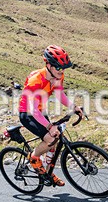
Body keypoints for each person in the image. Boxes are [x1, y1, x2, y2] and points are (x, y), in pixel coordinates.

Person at [18, 45, 84, 186]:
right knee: (50, 138)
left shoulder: (57, 76)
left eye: (64, 68)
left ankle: (48, 173)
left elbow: (60, 95)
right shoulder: (36, 81)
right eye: (58, 67)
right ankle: (34, 158)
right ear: (48, 65)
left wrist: (74, 107)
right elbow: (33, 110)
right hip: (28, 113)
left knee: (55, 138)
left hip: (40, 112)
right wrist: (49, 126)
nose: (62, 71)